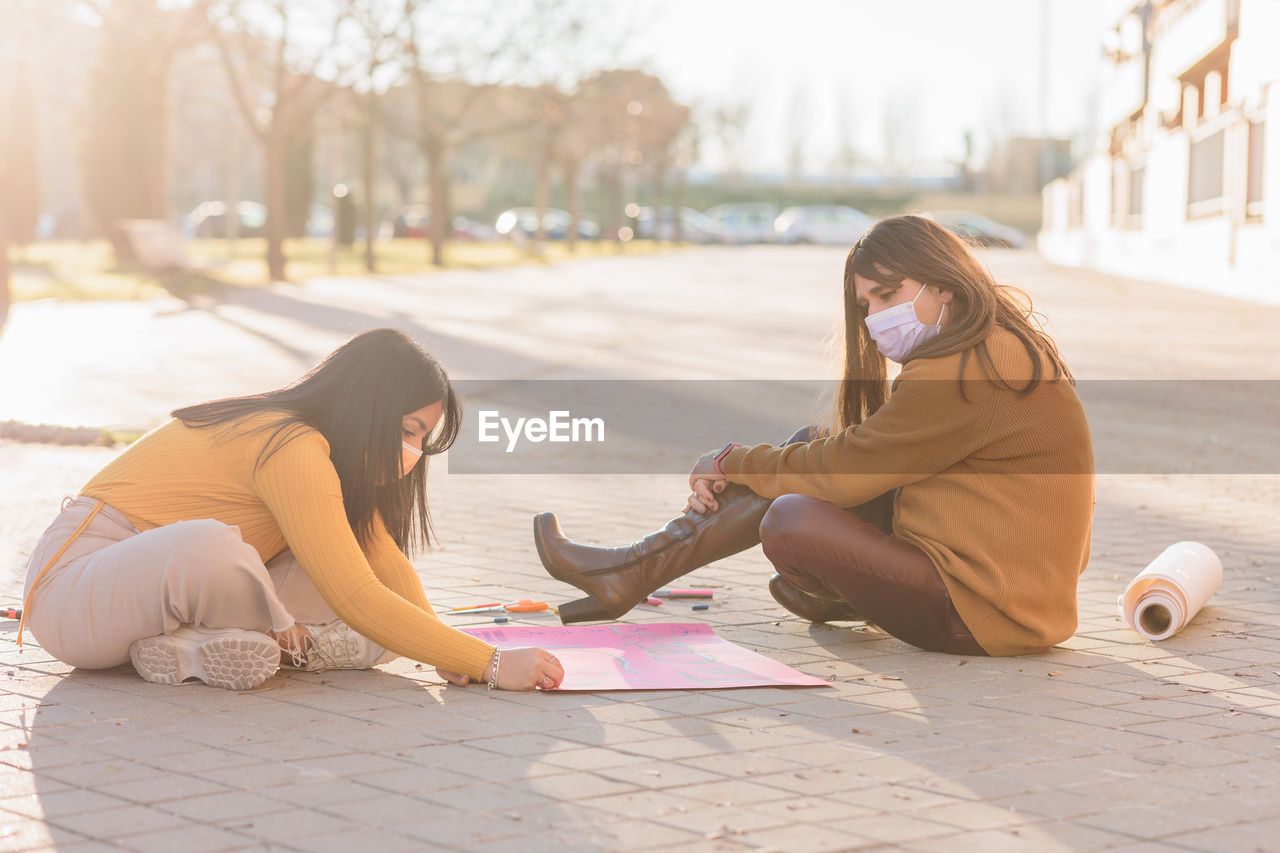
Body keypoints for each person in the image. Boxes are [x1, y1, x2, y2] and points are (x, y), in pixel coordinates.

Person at [535, 214, 1094, 656]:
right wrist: (749, 464)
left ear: (943, 285)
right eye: (866, 304)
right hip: (1006, 588)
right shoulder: (989, 344)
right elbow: (843, 454)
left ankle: (629, 572)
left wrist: (728, 460)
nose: (875, 318)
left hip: (987, 610)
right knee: (808, 442)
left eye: (888, 295)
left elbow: (844, 473)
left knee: (792, 514)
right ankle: (630, 572)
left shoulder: (965, 370)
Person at [22, 328, 564, 691]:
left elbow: (381, 564)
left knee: (345, 578)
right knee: (213, 547)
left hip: (148, 603)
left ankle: (188, 647)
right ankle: (301, 642)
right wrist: (492, 665)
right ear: (365, 408)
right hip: (73, 594)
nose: (412, 455)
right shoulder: (289, 444)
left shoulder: (327, 461)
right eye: (406, 431)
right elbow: (356, 593)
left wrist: (450, 650)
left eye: (421, 441)